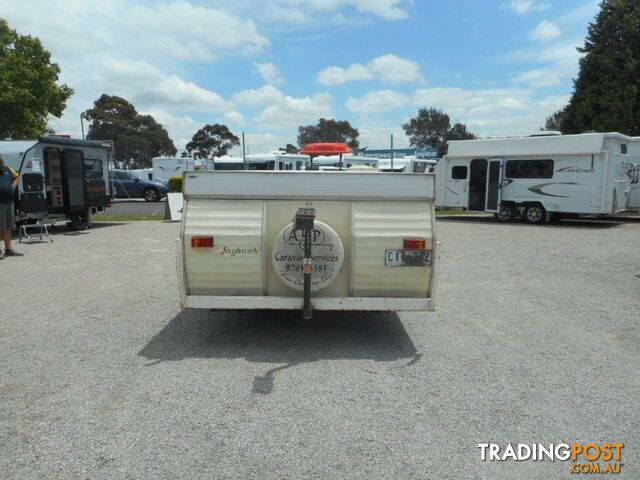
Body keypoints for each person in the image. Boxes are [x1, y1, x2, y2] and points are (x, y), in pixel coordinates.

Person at [0, 154, 23, 259]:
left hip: (9, 202)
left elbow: (18, 176)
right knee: (1, 227)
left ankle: (8, 249)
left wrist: (12, 187)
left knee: (9, 227)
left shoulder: (8, 168)